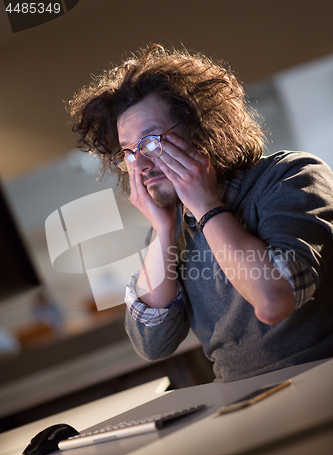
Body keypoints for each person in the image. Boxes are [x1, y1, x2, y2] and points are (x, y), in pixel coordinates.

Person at [69, 44, 333, 382]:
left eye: (151, 142)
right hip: (241, 401)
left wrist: (206, 206)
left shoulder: (292, 176)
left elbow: (273, 301)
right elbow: (152, 344)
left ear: (202, 129)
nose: (143, 165)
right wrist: (162, 231)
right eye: (130, 153)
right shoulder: (172, 225)